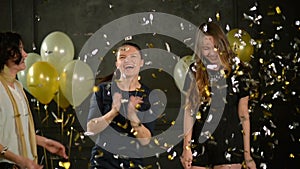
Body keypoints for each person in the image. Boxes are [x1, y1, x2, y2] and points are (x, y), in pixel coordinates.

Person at [180, 22, 257, 169]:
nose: (212, 52)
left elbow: (243, 114)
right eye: (206, 48)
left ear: (223, 45)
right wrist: (186, 148)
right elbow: (189, 111)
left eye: (216, 47)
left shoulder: (239, 71)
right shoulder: (195, 71)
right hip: (200, 142)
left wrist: (247, 155)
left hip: (230, 142)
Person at [0, 32, 68, 169]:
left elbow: (15, 131)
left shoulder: (18, 87)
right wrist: (19, 160)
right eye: (20, 49)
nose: (25, 54)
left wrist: (44, 142)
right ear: (7, 53)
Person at [86, 42, 156, 169]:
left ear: (141, 62)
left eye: (133, 57)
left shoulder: (149, 95)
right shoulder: (103, 89)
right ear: (117, 63)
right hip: (102, 163)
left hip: (133, 164)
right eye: (122, 57)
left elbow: (146, 140)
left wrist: (132, 116)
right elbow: (90, 128)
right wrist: (113, 112)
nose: (127, 60)